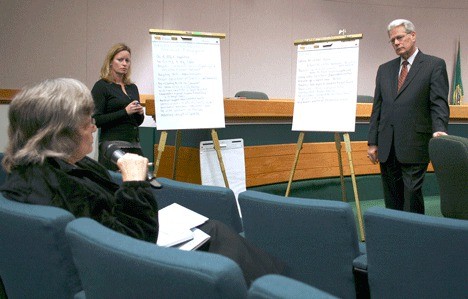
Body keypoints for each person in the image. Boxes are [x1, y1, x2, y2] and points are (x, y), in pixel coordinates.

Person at [0, 78, 284, 286]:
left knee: (215, 232)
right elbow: (123, 243)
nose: (94, 127)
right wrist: (134, 183)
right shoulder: (52, 184)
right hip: (130, 265)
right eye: (87, 121)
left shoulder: (41, 169)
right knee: (226, 244)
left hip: (132, 246)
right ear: (60, 132)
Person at [367, 19, 450, 214]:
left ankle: (415, 236)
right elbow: (377, 107)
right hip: (388, 145)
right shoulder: (384, 69)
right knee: (392, 197)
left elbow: (438, 103)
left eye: (400, 37)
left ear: (413, 36)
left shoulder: (434, 65)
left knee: (412, 194)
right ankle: (395, 236)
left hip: (415, 143)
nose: (396, 43)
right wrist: (372, 142)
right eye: (392, 40)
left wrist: (440, 128)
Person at [91, 43, 144, 171]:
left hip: (134, 144)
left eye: (127, 60)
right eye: (120, 60)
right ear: (110, 62)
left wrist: (140, 114)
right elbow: (96, 120)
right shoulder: (102, 86)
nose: (124, 63)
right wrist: (125, 112)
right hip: (112, 147)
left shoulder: (132, 87)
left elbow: (137, 122)